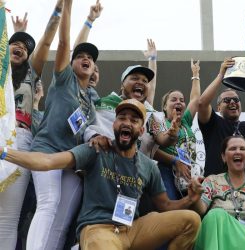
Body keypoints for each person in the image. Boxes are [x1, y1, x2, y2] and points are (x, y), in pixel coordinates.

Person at [0, 99, 202, 250]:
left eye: (134, 120)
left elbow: (165, 205)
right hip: (98, 229)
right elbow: (47, 161)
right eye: (122, 118)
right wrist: (4, 153)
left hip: (132, 229)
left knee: (191, 220)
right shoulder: (95, 150)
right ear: (113, 125)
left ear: (141, 130)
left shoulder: (148, 165)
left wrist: (190, 200)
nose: (127, 123)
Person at [27, 0, 99, 248]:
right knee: (48, 202)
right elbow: (66, 43)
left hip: (70, 160)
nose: (85, 59)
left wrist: (91, 20)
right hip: (45, 150)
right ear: (72, 63)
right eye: (80, 57)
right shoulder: (64, 77)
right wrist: (68, 6)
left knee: (63, 218)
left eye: (90, 58)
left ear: (94, 70)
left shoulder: (91, 98)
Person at [0, 1, 63, 248]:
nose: (20, 47)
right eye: (14, 43)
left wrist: (59, 10)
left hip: (20, 141)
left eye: (26, 47)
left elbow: (47, 42)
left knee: (7, 217)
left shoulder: (31, 73)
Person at [151, 59, 201, 200]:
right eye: (173, 99)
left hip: (189, 171)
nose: (179, 102)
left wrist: (195, 74)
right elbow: (150, 151)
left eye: (181, 100)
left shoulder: (185, 121)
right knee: (171, 208)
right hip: (166, 170)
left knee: (191, 207)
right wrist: (175, 161)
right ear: (165, 107)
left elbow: (196, 99)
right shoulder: (158, 121)